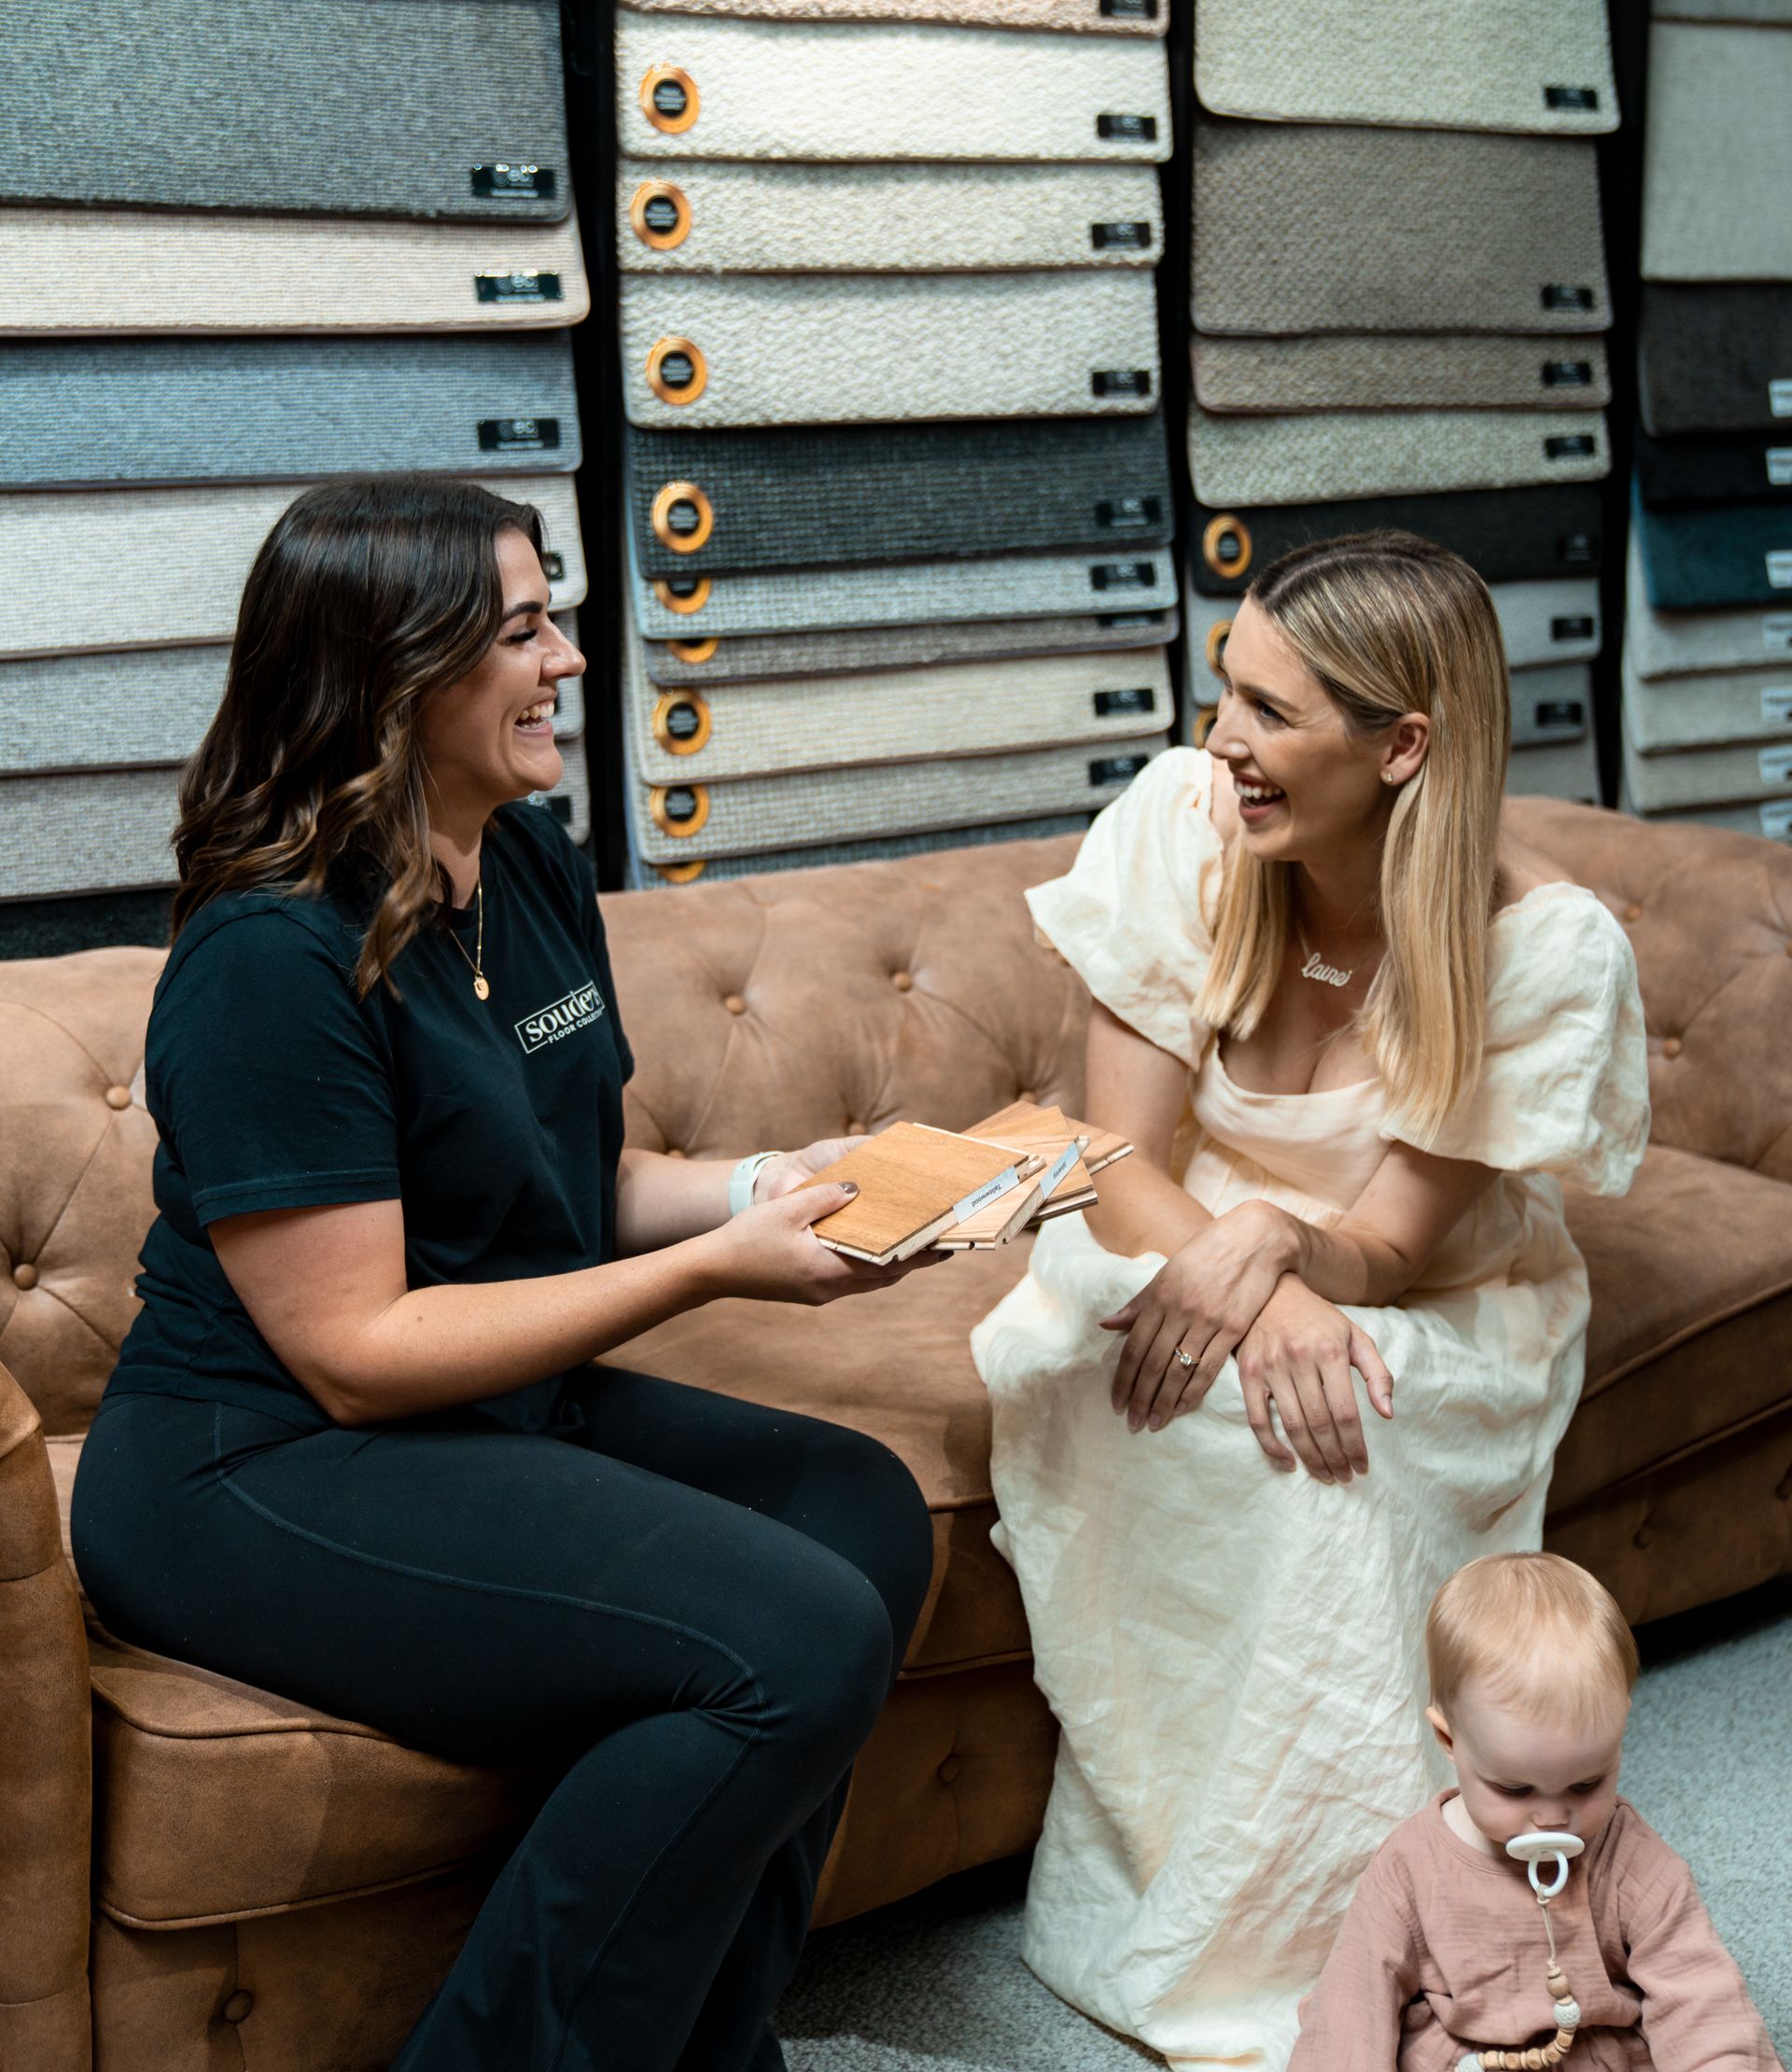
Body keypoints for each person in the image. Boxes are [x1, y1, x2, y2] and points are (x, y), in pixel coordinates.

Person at [70, 473, 938, 2072]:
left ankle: (695, 2049)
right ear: (404, 673)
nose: (573, 667)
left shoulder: (524, 866)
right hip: (257, 1466)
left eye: (559, 624)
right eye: (529, 630)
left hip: (480, 1404)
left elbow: (572, 1180)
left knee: (859, 1515)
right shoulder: (267, 955)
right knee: (794, 1641)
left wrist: (785, 1186)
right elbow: (355, 1346)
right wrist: (719, 1274)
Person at [970, 530, 1651, 2069]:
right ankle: (1192, 1892)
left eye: (1274, 712)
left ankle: (1341, 1934)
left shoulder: (1540, 948)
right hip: (1165, 1225)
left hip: (1432, 1295)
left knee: (1322, 1450)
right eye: (1228, 692)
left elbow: (1398, 1248)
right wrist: (1253, 1272)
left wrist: (1284, 1256)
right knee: (1169, 1379)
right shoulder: (1184, 823)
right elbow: (1114, 1156)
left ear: (1402, 745)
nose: (1226, 740)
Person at [1288, 1551, 1783, 2070]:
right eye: (1515, 1789)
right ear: (1447, 1737)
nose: (1552, 1818)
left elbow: (1701, 1994)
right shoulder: (1409, 1869)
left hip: (1597, 2050)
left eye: (1587, 1783)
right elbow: (1354, 2003)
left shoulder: (1631, 1858)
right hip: (1465, 2060)